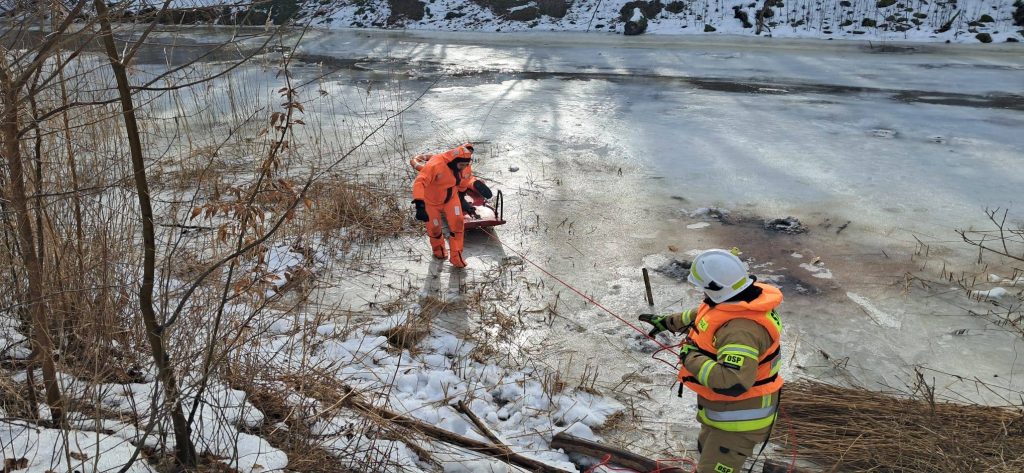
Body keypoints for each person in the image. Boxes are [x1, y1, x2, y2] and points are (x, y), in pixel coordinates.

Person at [639, 249, 783, 473]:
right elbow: (702, 316)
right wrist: (668, 322)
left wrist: (690, 356)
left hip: (738, 425)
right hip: (723, 414)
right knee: (703, 447)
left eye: (704, 287)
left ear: (715, 287)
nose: (702, 292)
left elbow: (732, 381)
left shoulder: (741, 330)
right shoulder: (733, 300)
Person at [411, 142, 492, 268]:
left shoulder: (464, 167)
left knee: (458, 225)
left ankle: (457, 258)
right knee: (434, 228)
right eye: (461, 165)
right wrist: (420, 204)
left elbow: (463, 181)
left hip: (451, 198)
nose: (464, 167)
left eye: (466, 164)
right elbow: (419, 182)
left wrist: (463, 198)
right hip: (431, 202)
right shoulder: (435, 165)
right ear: (454, 161)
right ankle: (439, 251)